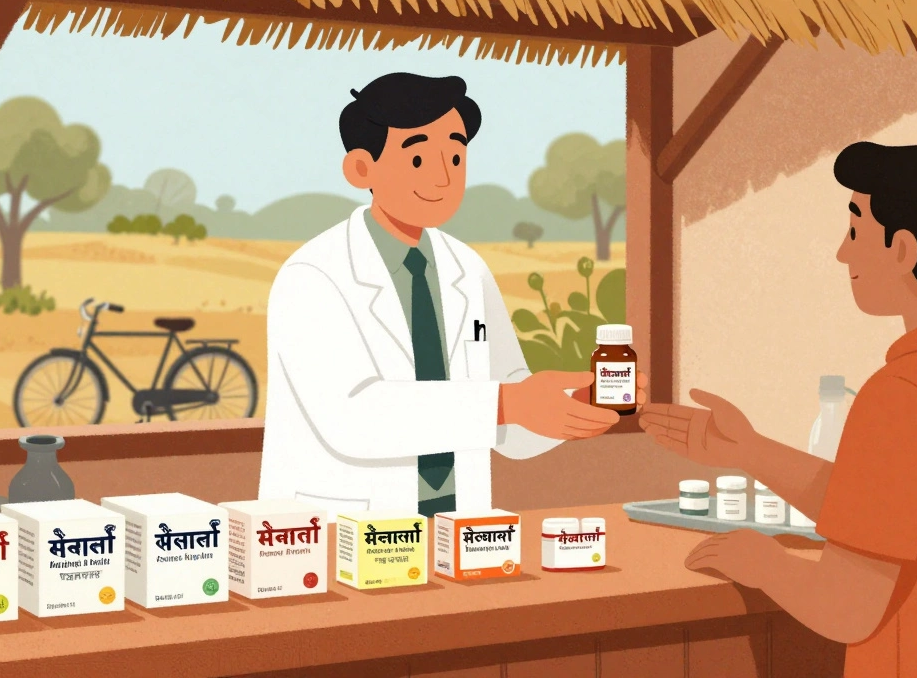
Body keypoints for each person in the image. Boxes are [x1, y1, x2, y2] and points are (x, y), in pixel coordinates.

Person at [640, 142, 917, 677]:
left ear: (903, 250)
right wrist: (750, 452)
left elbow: (846, 609)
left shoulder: (904, 394)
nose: (842, 254)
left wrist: (765, 564)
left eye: (854, 231)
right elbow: (893, 514)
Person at [259, 72, 646, 518]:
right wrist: (509, 402)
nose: (444, 177)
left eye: (457, 157)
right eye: (419, 159)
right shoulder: (313, 274)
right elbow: (351, 417)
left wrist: (576, 402)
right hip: (341, 524)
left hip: (458, 525)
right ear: (361, 169)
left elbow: (508, 420)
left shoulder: (467, 269)